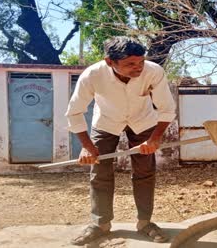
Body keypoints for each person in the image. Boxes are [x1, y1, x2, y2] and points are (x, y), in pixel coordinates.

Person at [66, 36, 176, 245]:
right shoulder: (92, 75)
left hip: (143, 122)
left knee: (145, 172)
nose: (139, 68)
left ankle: (145, 223)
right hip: (107, 121)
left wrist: (154, 139)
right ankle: (100, 224)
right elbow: (74, 113)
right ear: (110, 62)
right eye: (130, 64)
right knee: (99, 173)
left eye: (141, 61)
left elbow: (167, 109)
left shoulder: (154, 71)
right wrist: (88, 148)